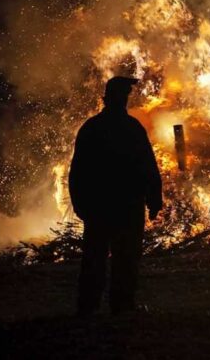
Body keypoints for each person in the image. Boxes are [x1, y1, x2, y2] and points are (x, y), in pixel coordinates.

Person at [68, 76, 163, 315]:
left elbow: (78, 171)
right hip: (125, 205)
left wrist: (80, 203)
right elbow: (147, 166)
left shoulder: (92, 127)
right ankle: (119, 306)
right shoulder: (130, 128)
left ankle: (89, 306)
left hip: (102, 206)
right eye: (123, 95)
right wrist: (153, 198)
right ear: (115, 99)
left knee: (99, 256)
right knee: (123, 257)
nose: (125, 100)